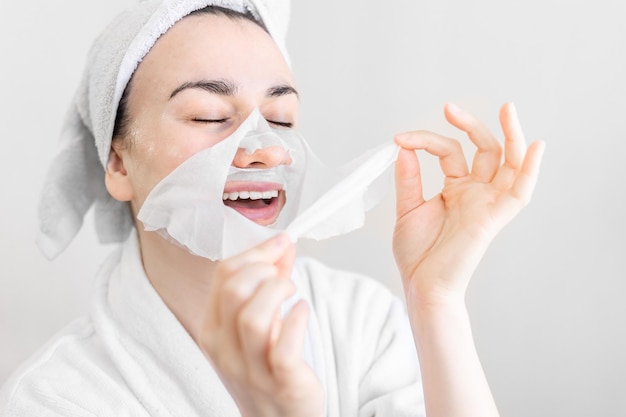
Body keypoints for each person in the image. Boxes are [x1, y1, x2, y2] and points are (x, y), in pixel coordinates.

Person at [0, 1, 544, 416]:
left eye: (281, 119)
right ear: (118, 164)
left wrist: (437, 303)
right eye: (210, 115)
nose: (264, 146)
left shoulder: (360, 321)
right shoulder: (55, 397)